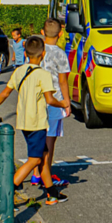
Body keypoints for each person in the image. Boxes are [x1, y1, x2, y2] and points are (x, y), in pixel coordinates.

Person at [0, 36, 68, 205]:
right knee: (34, 160)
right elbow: (50, 100)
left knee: (43, 156)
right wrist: (63, 103)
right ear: (43, 54)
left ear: (27, 53)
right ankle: (6, 191)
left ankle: (52, 193)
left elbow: (6, 92)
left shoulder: (19, 71)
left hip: (23, 122)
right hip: (37, 122)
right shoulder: (43, 75)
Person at [30, 19, 72, 189]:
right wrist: (67, 102)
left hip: (36, 97)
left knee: (37, 135)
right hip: (54, 99)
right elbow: (63, 80)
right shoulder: (60, 54)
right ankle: (45, 172)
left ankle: (35, 173)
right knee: (50, 138)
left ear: (42, 32)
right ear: (60, 33)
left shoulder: (36, 51)